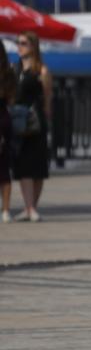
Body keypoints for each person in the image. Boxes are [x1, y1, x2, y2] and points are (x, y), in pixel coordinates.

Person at [11, 32, 53, 222]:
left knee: (38, 167)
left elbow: (47, 98)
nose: (19, 47)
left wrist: (46, 118)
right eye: (18, 43)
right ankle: (28, 208)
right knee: (23, 165)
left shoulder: (41, 71)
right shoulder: (15, 69)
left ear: (33, 47)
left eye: (23, 43)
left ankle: (32, 207)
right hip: (19, 121)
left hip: (36, 120)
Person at [0, 39, 14, 223]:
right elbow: (11, 99)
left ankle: (5, 210)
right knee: (4, 168)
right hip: (4, 118)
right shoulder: (8, 73)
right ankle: (5, 210)